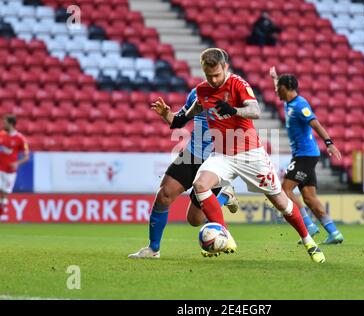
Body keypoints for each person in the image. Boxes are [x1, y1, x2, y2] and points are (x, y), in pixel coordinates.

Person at [185, 48, 325, 263]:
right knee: (200, 185)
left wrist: (234, 110)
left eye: (217, 75)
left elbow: (255, 110)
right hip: (222, 154)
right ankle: (225, 235)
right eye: (208, 75)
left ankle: (309, 241)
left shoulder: (238, 84)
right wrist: (173, 117)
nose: (213, 80)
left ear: (226, 68)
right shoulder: (202, 90)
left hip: (251, 155)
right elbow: (193, 110)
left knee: (280, 201)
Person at [128, 88, 239, 259]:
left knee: (194, 220)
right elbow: (179, 120)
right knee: (164, 194)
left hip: (216, 161)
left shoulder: (234, 93)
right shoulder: (197, 93)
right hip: (191, 155)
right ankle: (153, 249)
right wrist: (167, 114)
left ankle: (224, 195)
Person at [269, 67, 345, 244]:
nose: (275, 90)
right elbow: (278, 87)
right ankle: (334, 232)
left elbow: (316, 124)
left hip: (305, 156)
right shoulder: (289, 102)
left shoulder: (300, 105)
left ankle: (307, 225)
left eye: (277, 87)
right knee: (310, 198)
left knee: (284, 189)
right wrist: (275, 78)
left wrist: (329, 143)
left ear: (286, 88)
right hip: (305, 155)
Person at [0, 114, 29, 216]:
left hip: (10, 171)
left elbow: (26, 157)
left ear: (11, 124)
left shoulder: (20, 139)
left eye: (5, 122)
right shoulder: (1, 135)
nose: (3, 124)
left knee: (5, 192)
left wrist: (17, 163)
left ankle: (2, 206)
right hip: (0, 168)